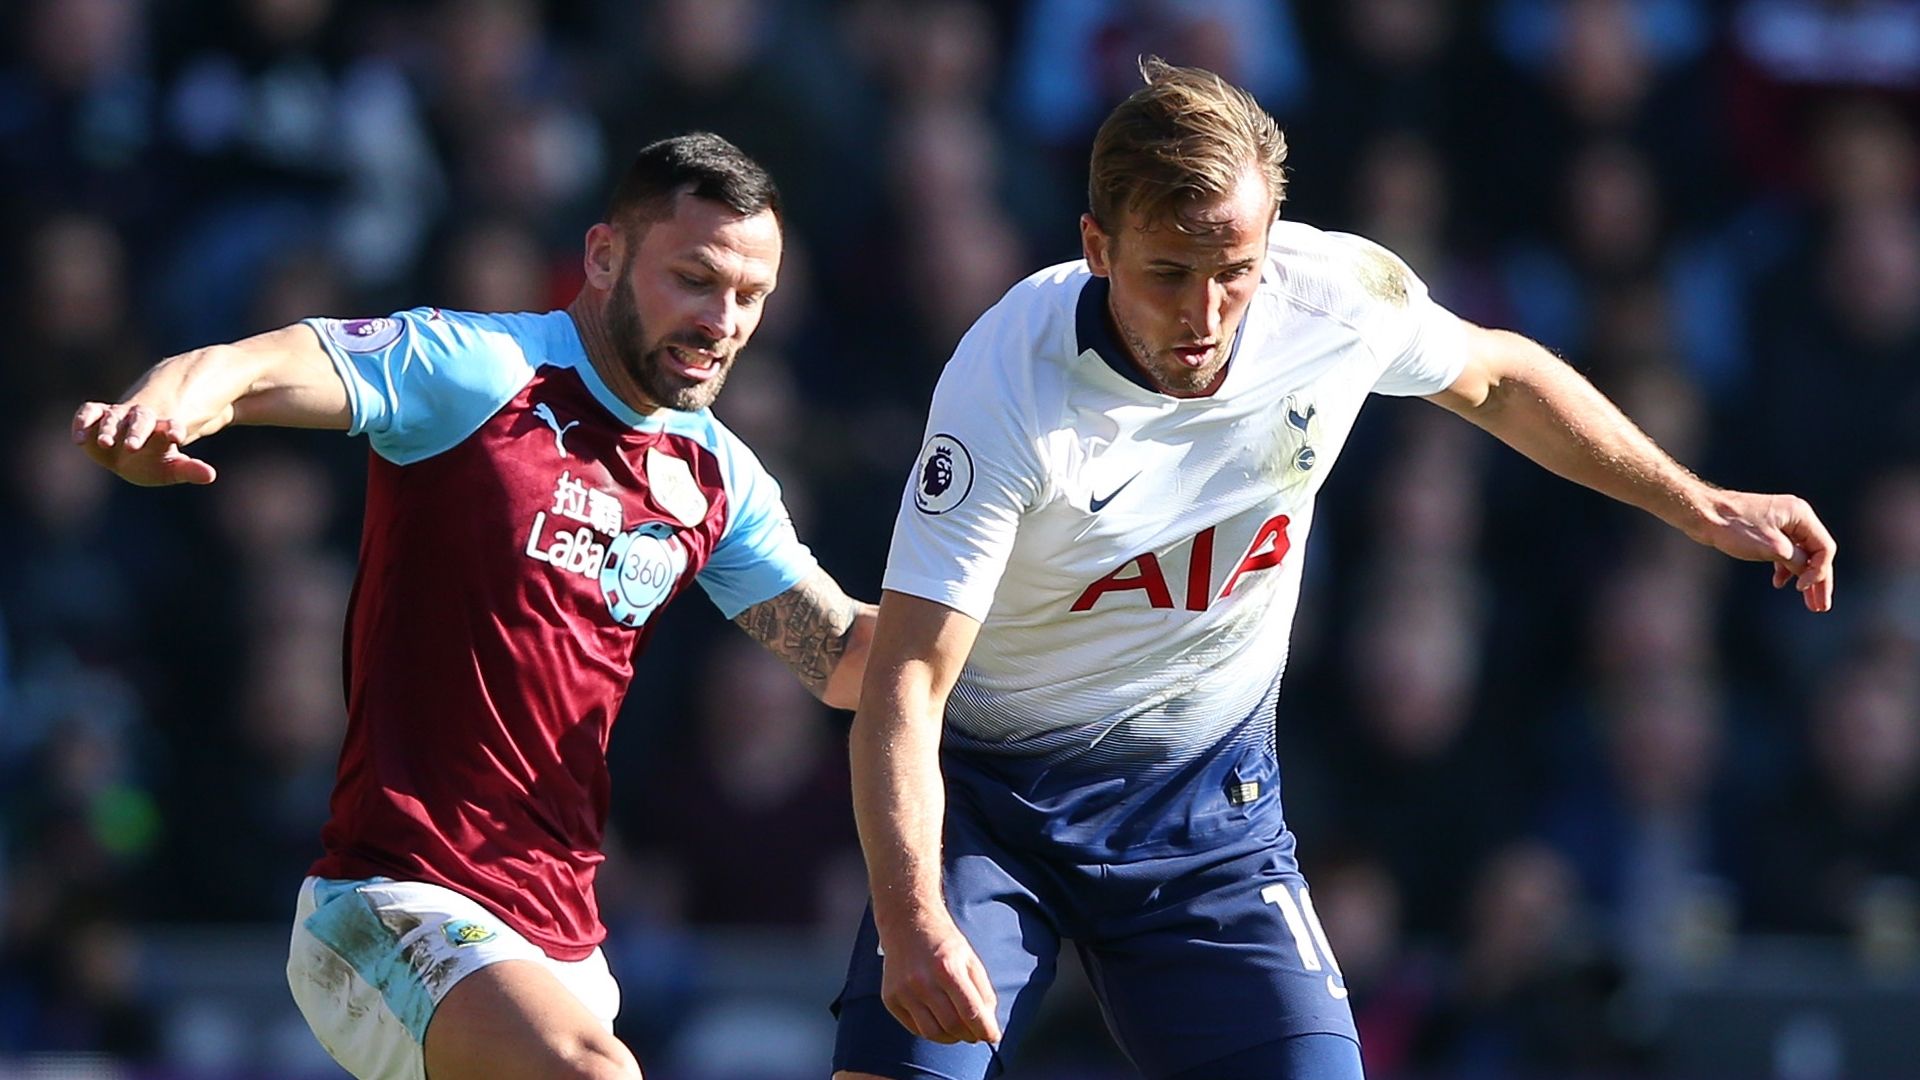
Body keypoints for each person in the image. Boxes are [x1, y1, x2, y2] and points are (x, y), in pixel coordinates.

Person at [831, 60, 1835, 1080]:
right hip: (993, 817)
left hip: (1206, 820)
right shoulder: (1007, 385)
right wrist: (911, 919)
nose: (1207, 313)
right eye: (1168, 273)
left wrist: (1698, 503)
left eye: (1235, 270)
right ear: (1096, 247)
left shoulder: (1334, 298)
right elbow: (908, 678)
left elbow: (1500, 381)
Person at [73, 133, 876, 1080]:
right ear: (604, 255)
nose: (723, 322)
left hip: (566, 949)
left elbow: (847, 662)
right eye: (695, 280)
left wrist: (1040, 612)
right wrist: (162, 412)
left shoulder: (715, 479)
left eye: (750, 298)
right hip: (391, 905)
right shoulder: (481, 370)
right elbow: (251, 364)